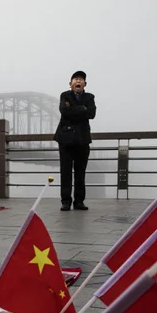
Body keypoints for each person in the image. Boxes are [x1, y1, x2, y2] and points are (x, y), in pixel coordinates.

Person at [54, 71, 96, 211]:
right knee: (65, 172)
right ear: (70, 84)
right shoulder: (64, 95)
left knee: (80, 172)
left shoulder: (90, 97)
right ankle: (66, 201)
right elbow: (64, 111)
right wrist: (82, 109)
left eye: (81, 79)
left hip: (83, 140)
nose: (78, 81)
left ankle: (79, 201)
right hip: (66, 140)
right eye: (75, 79)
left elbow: (92, 114)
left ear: (85, 84)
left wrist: (73, 110)